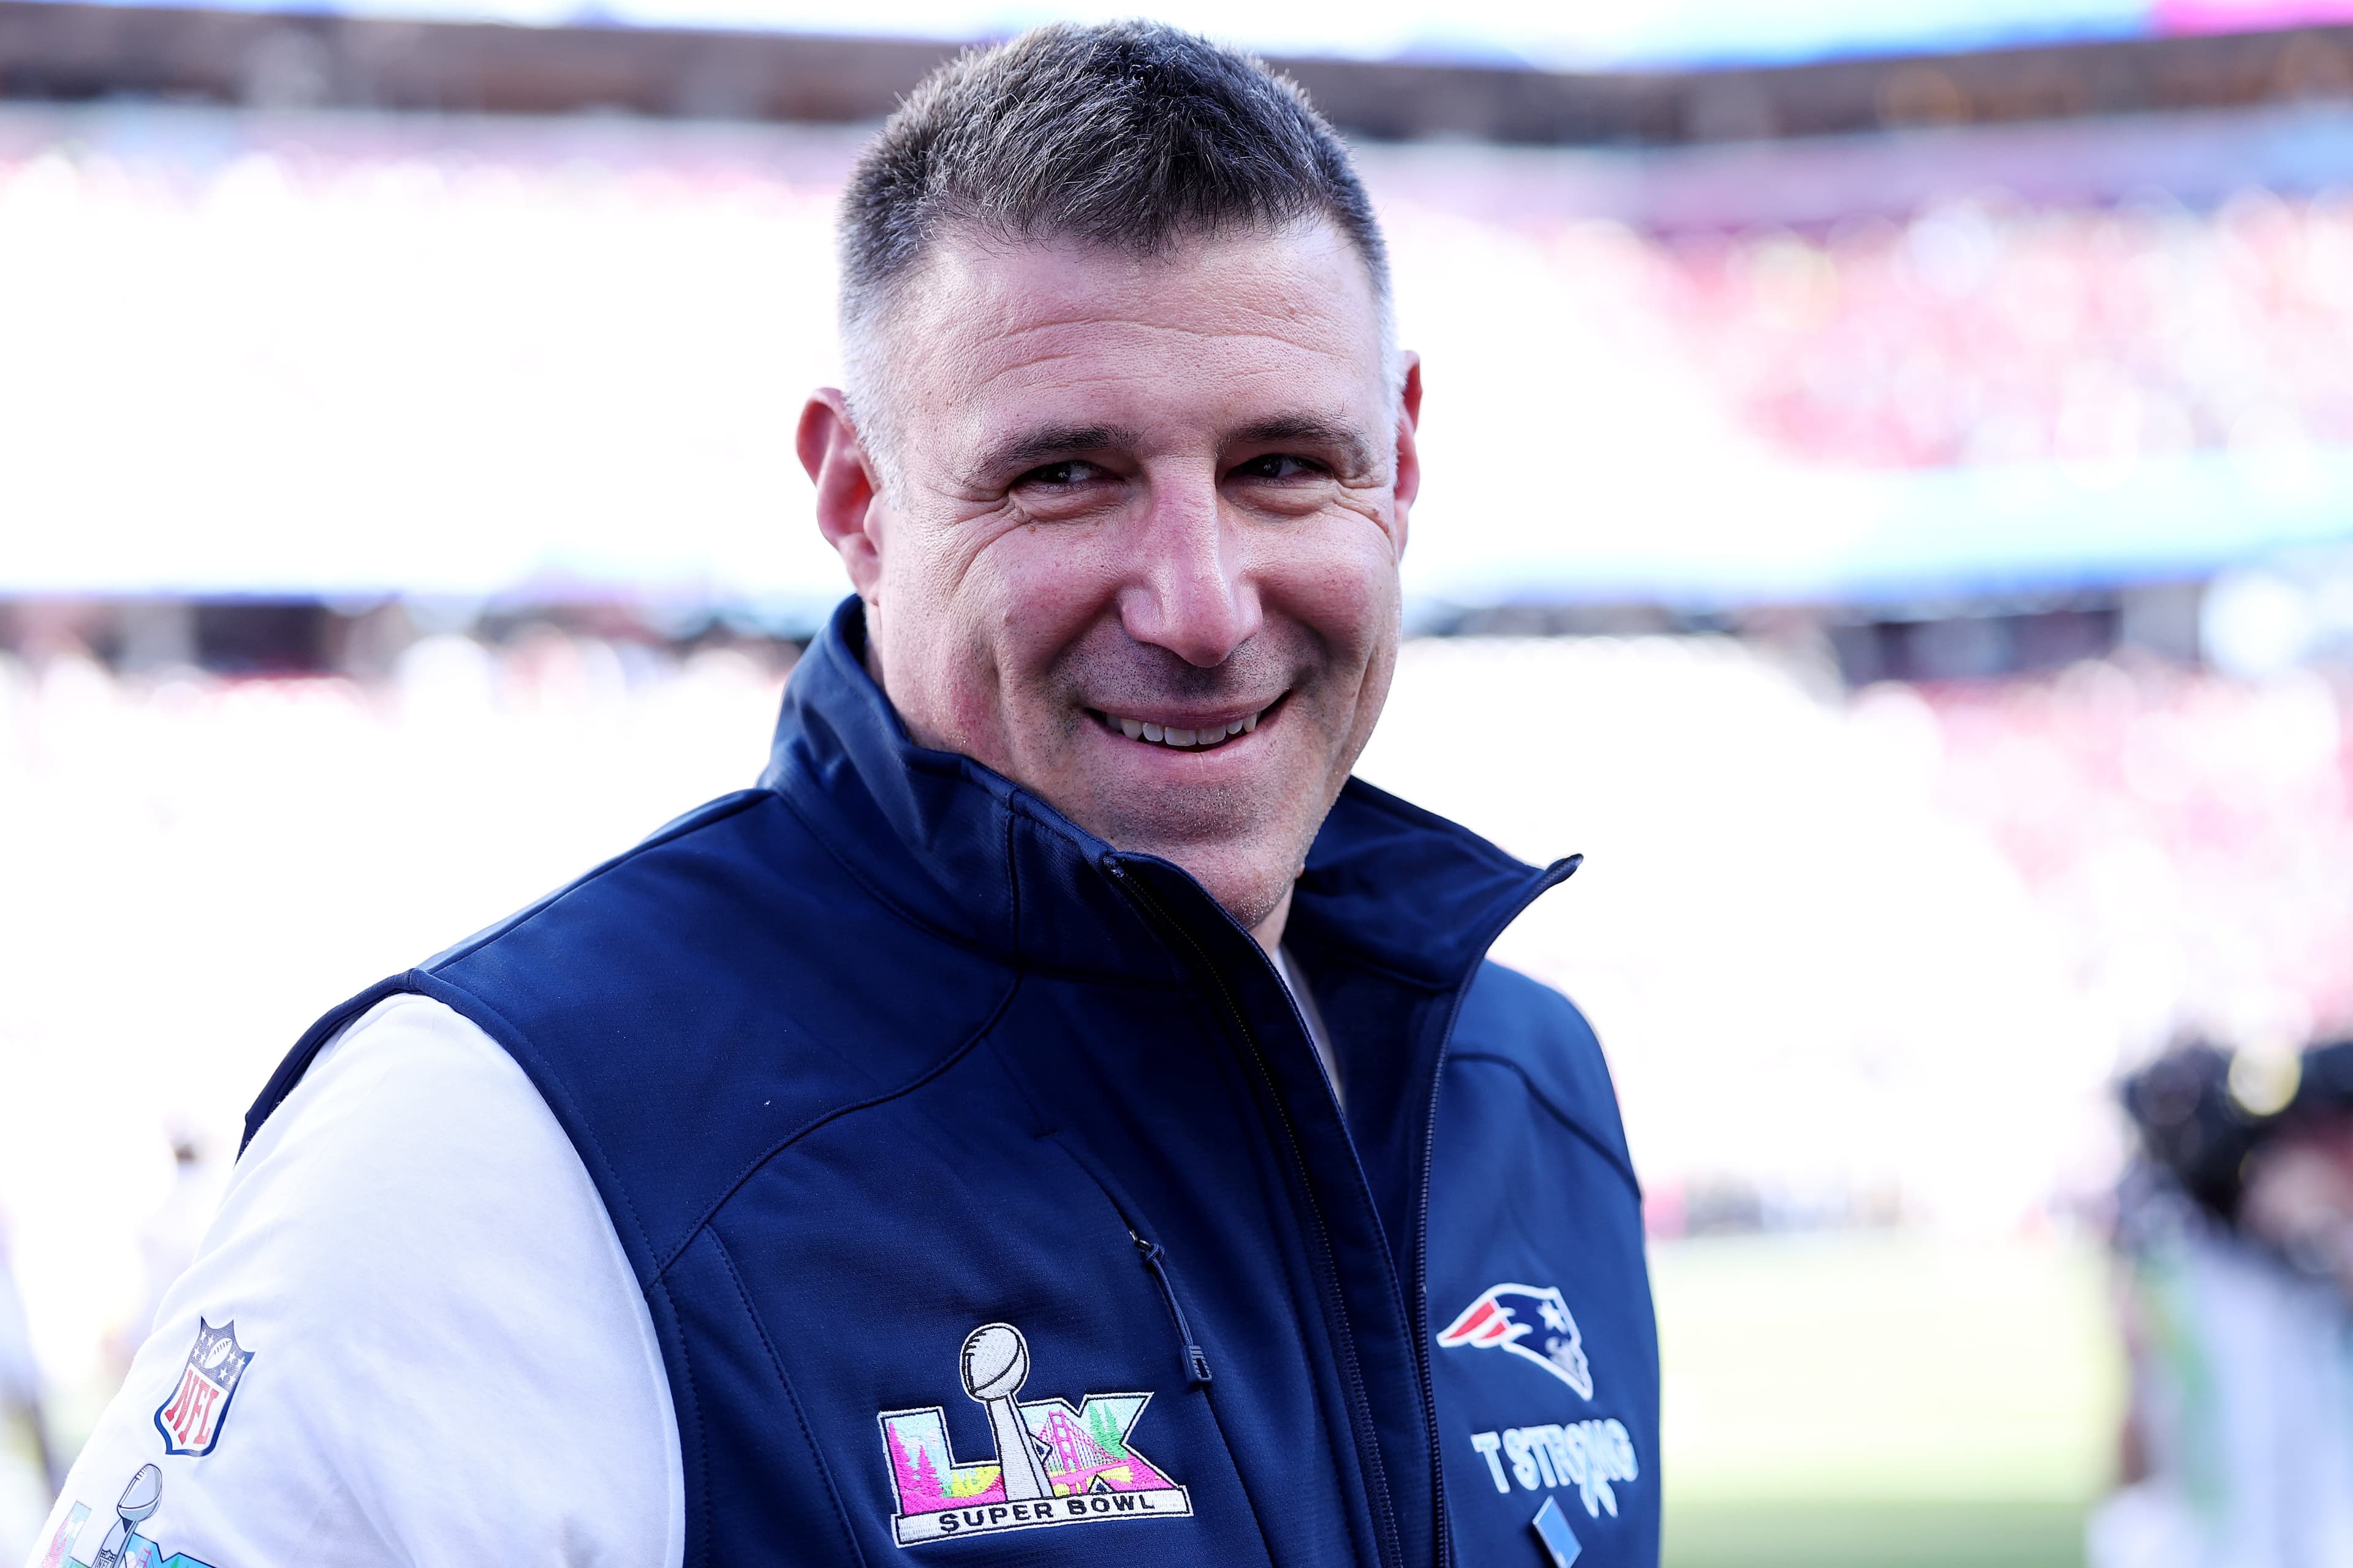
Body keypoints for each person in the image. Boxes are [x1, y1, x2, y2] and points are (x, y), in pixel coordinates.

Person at [29, 23, 1657, 1568]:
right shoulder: (503, 1143)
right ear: (859, 498)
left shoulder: (1527, 1089)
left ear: (1406, 458)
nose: (1202, 602)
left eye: (1284, 466)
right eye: (1066, 475)